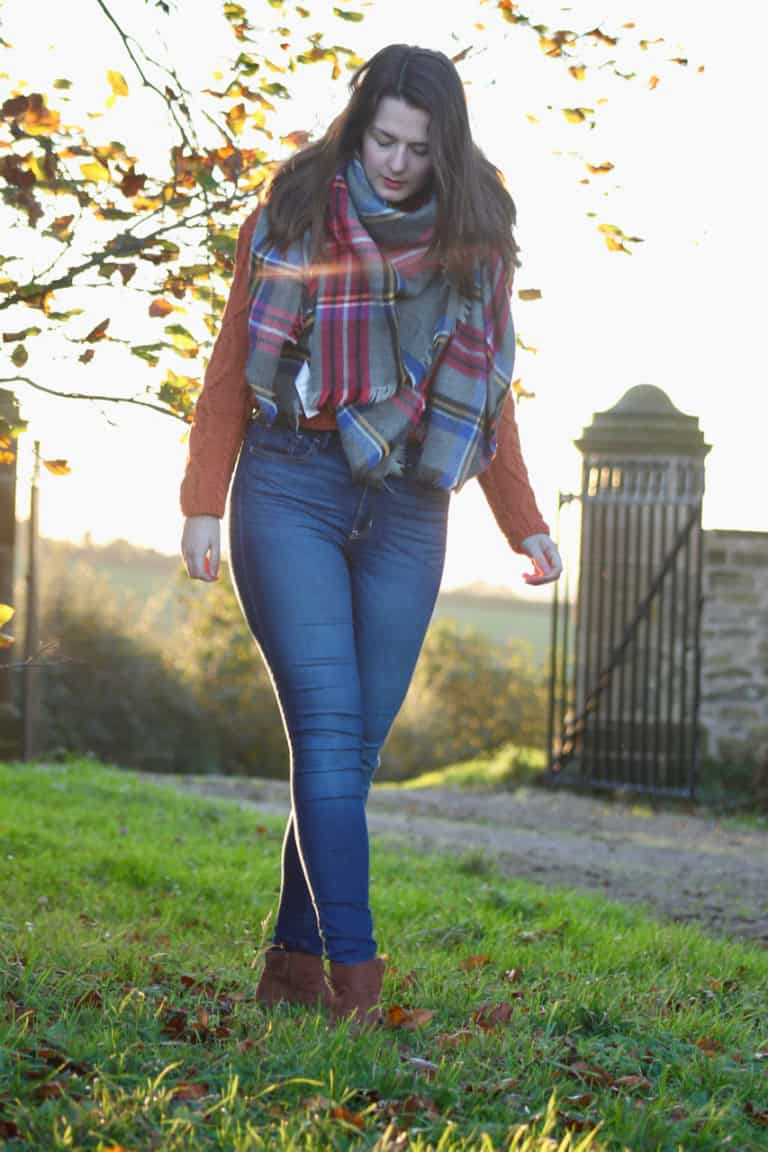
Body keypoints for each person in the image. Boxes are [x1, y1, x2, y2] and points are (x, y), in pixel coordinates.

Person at [180, 43, 562, 1031]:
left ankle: (290, 972)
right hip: (290, 486)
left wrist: (522, 522)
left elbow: (491, 396)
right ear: (360, 127)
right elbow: (233, 357)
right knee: (329, 731)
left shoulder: (477, 239)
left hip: (408, 510)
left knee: (349, 756)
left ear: (447, 148)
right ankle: (358, 984)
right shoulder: (297, 208)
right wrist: (201, 501)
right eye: (382, 139)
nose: (395, 162)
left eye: (417, 148)